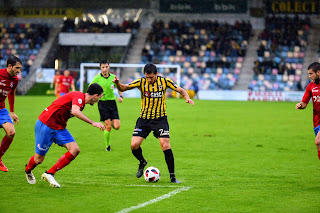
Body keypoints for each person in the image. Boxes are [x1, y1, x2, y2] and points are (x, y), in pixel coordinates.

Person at [113, 63, 194, 183]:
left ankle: (173, 177)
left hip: (160, 119)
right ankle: (142, 162)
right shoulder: (141, 82)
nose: (149, 80)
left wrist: (187, 97)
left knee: (165, 144)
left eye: (151, 77)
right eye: (147, 77)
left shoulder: (165, 81)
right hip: (144, 119)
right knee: (134, 145)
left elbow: (181, 90)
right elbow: (123, 88)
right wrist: (117, 84)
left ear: (156, 74)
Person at [24, 83, 105, 188]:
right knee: (38, 159)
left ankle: (50, 173)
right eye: (99, 97)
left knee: (75, 150)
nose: (99, 100)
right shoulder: (79, 96)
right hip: (46, 124)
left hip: (59, 128)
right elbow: (75, 112)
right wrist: (93, 123)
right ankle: (28, 170)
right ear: (95, 96)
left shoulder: (82, 103)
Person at [90, 60, 123, 151]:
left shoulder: (113, 77)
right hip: (102, 104)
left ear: (109, 67)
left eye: (106, 67)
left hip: (112, 103)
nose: (105, 69)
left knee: (117, 126)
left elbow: (119, 87)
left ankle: (109, 122)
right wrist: (93, 98)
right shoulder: (97, 79)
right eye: (103, 67)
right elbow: (90, 88)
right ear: (100, 68)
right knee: (108, 126)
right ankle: (107, 146)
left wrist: (120, 96)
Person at [0, 55, 21, 172]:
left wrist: (12, 111)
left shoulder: (15, 80)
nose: (19, 71)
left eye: (20, 68)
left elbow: (11, 93)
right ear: (9, 66)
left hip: (1, 109)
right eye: (17, 68)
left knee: (11, 132)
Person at [296, 62, 320, 161]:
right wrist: (300, 105)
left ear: (318, 72)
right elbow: (304, 103)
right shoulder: (310, 86)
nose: (309, 76)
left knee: (318, 142)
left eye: (311, 74)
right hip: (316, 121)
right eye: (308, 74)